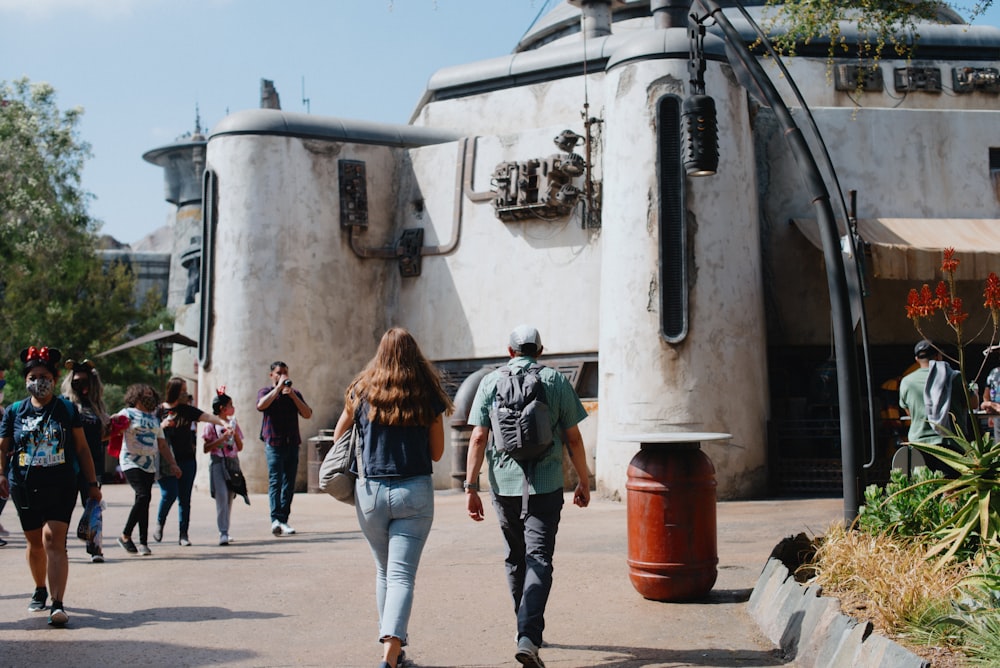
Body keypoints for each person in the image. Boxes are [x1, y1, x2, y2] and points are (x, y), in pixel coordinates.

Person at [465, 325, 591, 668]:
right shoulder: (554, 380)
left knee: (515, 557)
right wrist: (584, 480)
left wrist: (471, 487)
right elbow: (574, 439)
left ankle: (525, 628)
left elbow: (478, 438)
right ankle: (528, 634)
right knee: (539, 557)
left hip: (503, 486)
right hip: (545, 485)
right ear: (540, 350)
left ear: (509, 352)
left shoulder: (490, 382)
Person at [333, 327, 454, 668]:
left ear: (380, 353)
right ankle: (390, 654)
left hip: (370, 491)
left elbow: (339, 435)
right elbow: (436, 452)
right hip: (414, 490)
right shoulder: (427, 393)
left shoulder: (360, 390)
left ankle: (394, 652)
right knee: (401, 575)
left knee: (384, 572)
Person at [0, 345, 102, 626]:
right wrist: (1, 474)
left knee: (53, 539)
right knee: (35, 543)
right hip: (24, 485)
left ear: (54, 379)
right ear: (25, 380)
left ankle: (57, 603)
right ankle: (40, 588)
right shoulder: (14, 412)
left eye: (43, 376)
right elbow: (3, 447)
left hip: (61, 485)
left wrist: (92, 484)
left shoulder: (66, 409)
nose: (38, 381)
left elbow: (82, 450)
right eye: (32, 376)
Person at [154, 377, 226, 546]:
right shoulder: (159, 411)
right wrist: (162, 425)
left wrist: (223, 422)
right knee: (168, 495)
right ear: (174, 391)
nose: (186, 393)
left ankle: (183, 534)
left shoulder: (186, 410)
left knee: (184, 499)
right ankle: (160, 522)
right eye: (183, 390)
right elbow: (151, 431)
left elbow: (207, 417)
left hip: (186, 459)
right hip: (166, 461)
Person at [114, 384, 181, 556]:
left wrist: (173, 463)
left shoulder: (154, 419)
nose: (149, 397)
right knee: (143, 495)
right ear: (136, 396)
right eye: (146, 394)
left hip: (149, 464)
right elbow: (113, 427)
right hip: (131, 461)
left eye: (152, 394)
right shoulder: (127, 413)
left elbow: (162, 444)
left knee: (144, 499)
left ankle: (143, 542)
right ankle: (125, 535)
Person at [61, 358, 109, 563]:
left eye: (85, 381)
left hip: (94, 463)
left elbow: (100, 436)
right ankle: (59, 545)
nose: (81, 385)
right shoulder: (65, 404)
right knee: (64, 506)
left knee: (93, 504)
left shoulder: (96, 406)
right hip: (69, 464)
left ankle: (95, 547)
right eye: (77, 381)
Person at [257, 360, 312, 536]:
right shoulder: (266, 392)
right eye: (279, 373)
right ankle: (275, 519)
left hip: (292, 443)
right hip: (273, 443)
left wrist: (293, 396)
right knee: (275, 481)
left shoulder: (294, 394)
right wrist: (278, 389)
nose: (283, 376)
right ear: (271, 375)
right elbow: (261, 405)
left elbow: (307, 413)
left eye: (285, 373)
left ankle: (284, 520)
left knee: (289, 484)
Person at [898, 339, 968, 477]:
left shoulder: (906, 382)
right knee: (951, 491)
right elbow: (972, 404)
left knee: (923, 489)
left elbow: (909, 412)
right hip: (950, 443)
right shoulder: (954, 377)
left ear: (917, 359)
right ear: (938, 356)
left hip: (919, 443)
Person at [202, 387, 243, 546]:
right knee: (221, 496)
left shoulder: (233, 423)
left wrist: (234, 435)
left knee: (230, 497)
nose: (233, 408)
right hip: (218, 462)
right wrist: (221, 439)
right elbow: (206, 448)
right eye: (230, 405)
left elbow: (239, 446)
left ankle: (226, 529)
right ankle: (223, 532)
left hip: (232, 463)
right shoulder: (211, 424)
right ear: (222, 408)